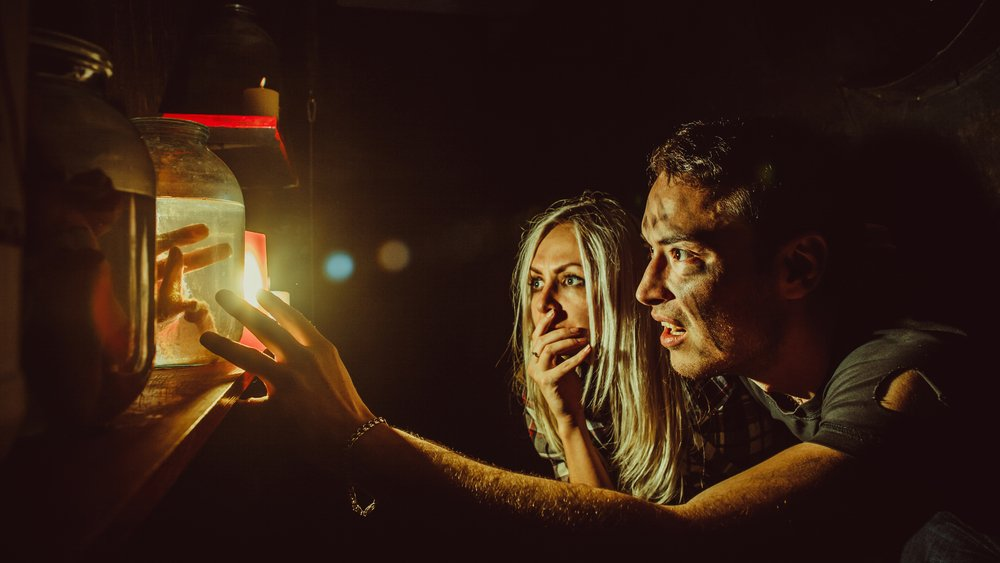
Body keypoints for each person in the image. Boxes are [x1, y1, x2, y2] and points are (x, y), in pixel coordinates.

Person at [200, 117, 996, 560]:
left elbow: (682, 544)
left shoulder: (904, 372)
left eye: (682, 256)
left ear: (797, 267)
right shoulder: (745, 351)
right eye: (647, 254)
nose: (645, 289)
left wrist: (364, 439)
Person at [512, 192, 789, 502]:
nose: (543, 303)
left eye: (571, 280)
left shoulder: (704, 382)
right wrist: (569, 421)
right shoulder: (546, 385)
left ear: (626, 286)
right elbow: (591, 529)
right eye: (536, 282)